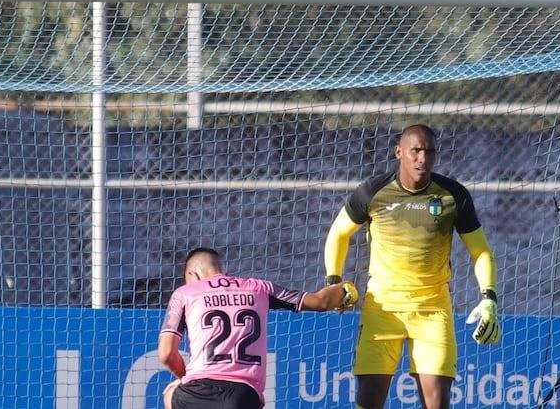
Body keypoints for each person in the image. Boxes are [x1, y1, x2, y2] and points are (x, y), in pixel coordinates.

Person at [323, 124, 500, 409]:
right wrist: (334, 281)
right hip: (383, 307)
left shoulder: (453, 195)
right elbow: (338, 234)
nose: (423, 158)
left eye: (429, 152)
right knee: (368, 400)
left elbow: (481, 251)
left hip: (433, 309)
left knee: (436, 403)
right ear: (399, 152)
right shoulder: (373, 191)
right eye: (416, 151)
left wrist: (489, 297)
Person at [158, 247, 358, 409]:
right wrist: (347, 290)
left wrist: (186, 378)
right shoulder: (259, 288)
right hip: (244, 396)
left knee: (170, 395)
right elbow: (321, 302)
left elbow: (167, 354)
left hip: (198, 392)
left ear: (192, 273)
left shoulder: (184, 294)